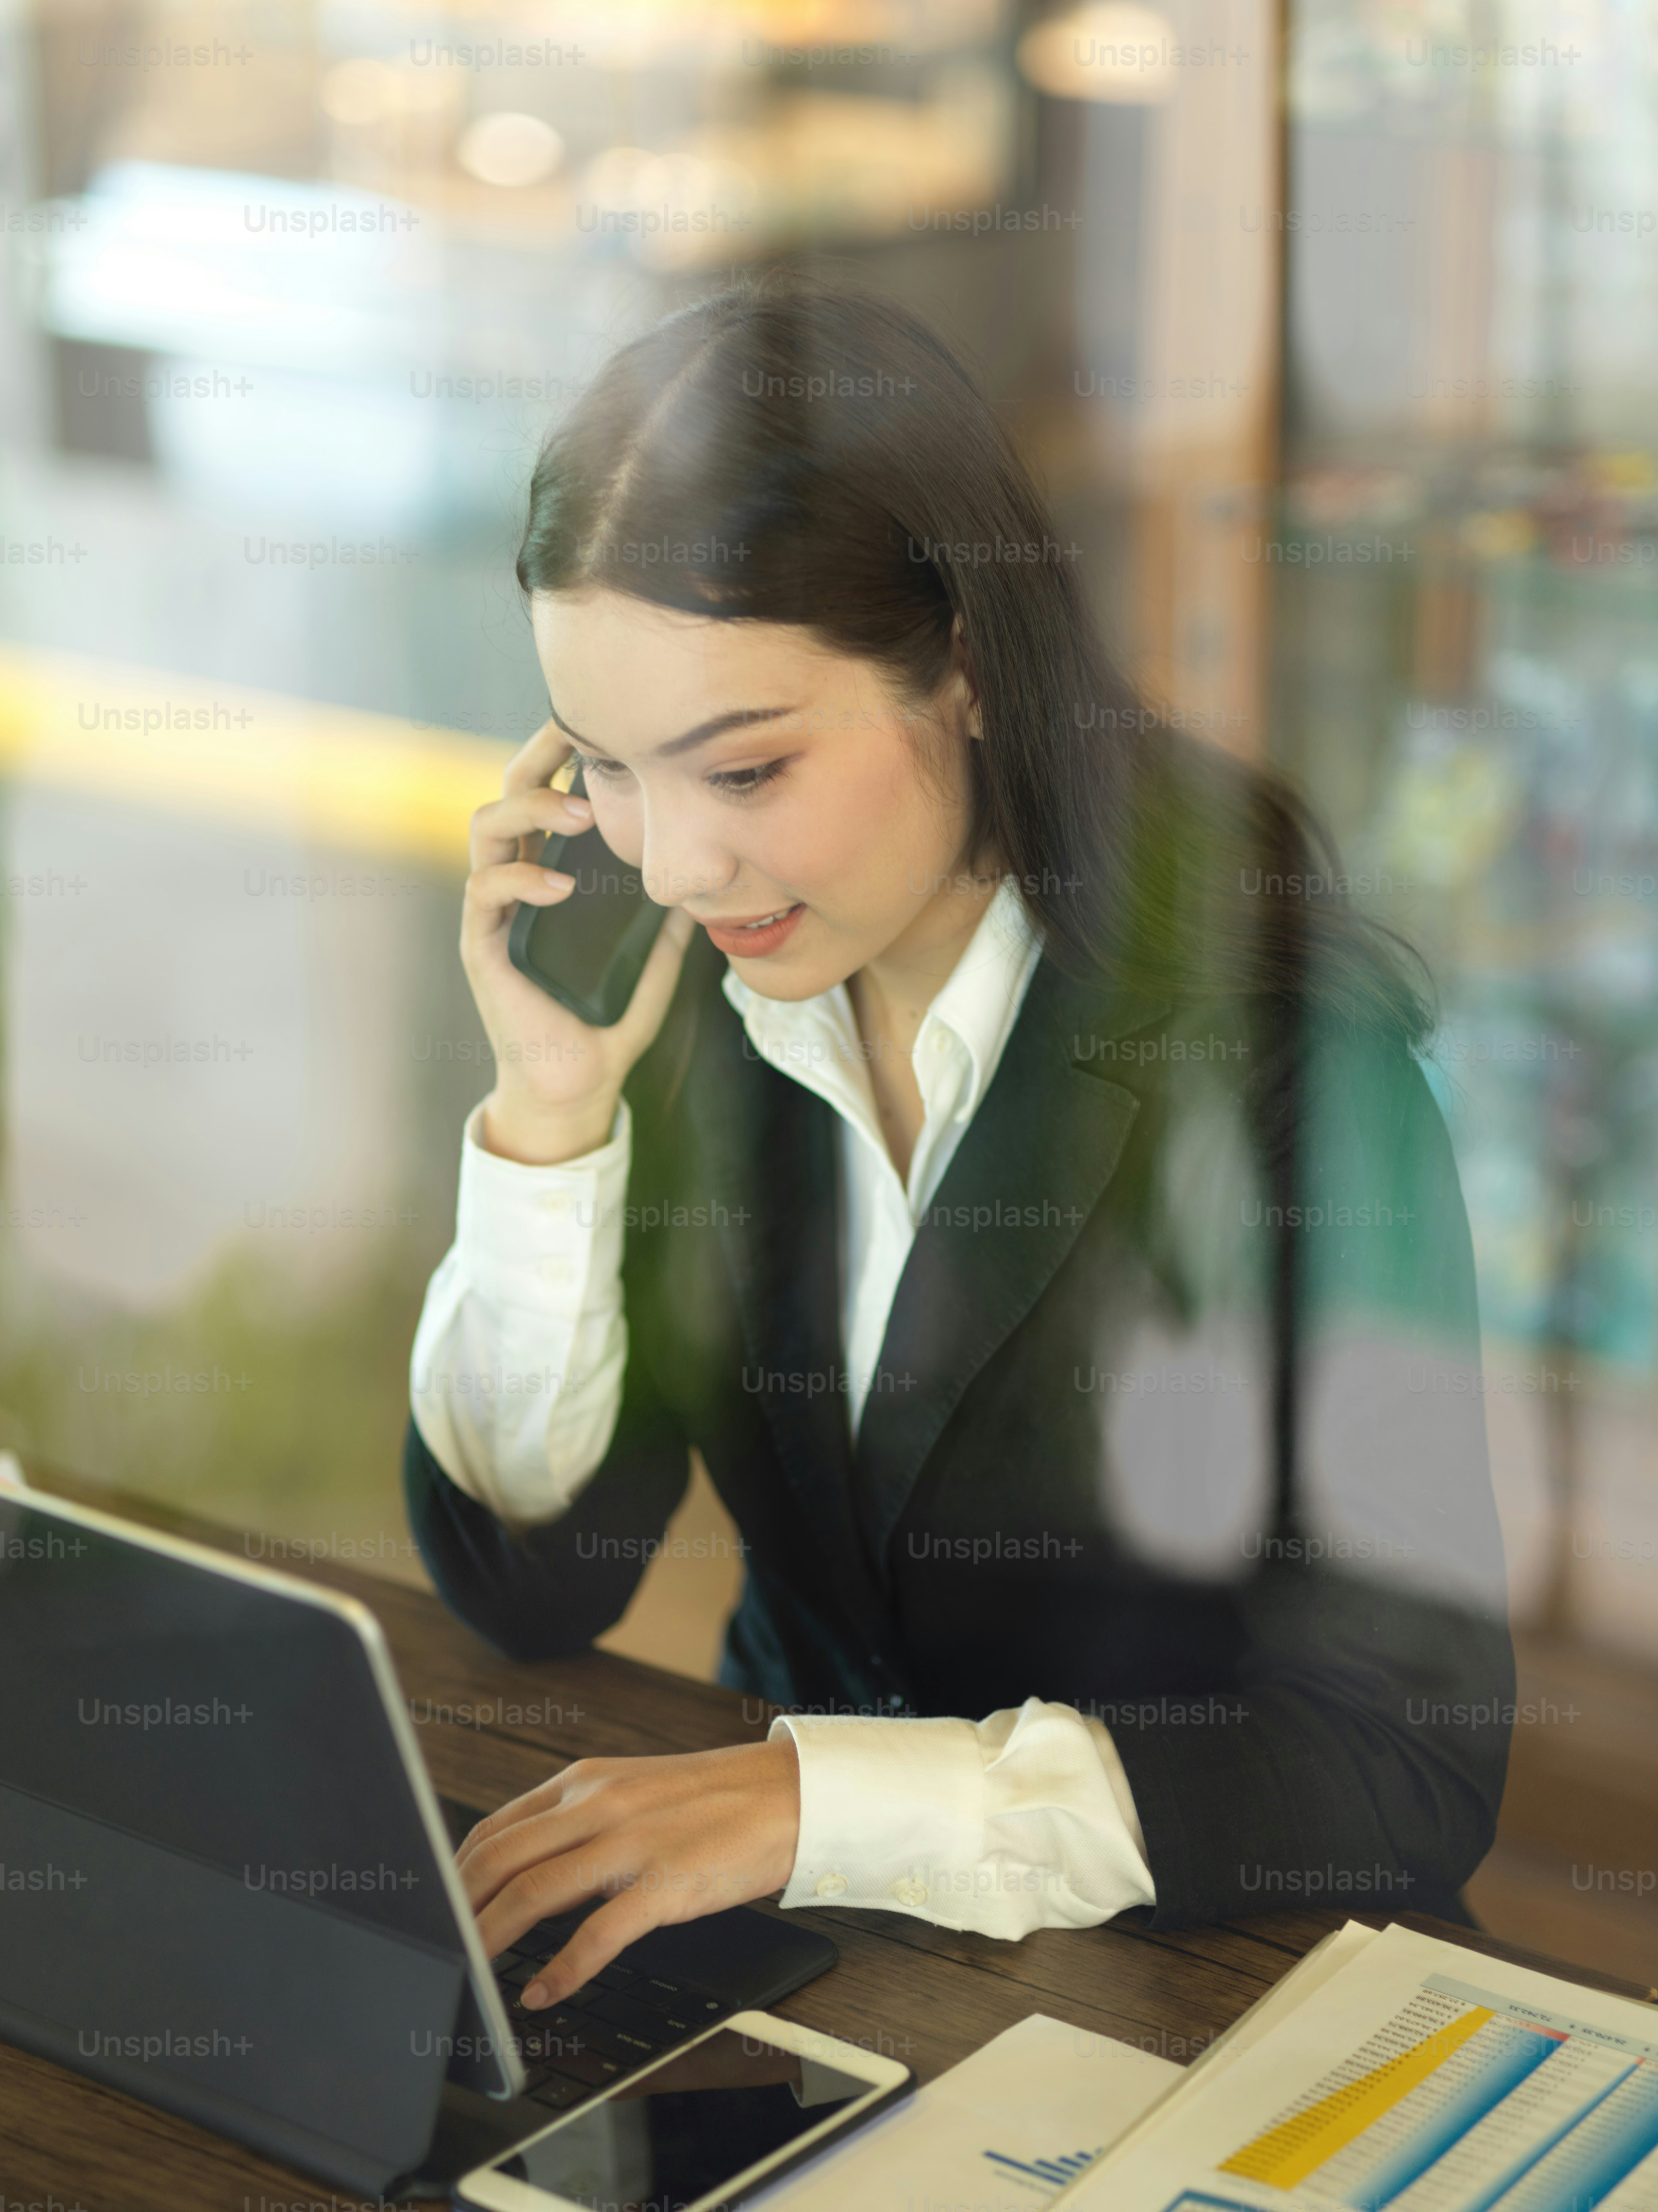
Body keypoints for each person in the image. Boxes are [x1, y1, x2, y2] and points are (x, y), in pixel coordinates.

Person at [405, 278, 1513, 2013]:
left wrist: (814, 1801)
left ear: (974, 675)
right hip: (799, 1946)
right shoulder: (688, 997)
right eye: (610, 772)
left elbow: (1398, 1766)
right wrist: (549, 1122)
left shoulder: (1290, 1064)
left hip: (1185, 1975)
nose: (676, 863)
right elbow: (543, 1581)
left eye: (746, 770)